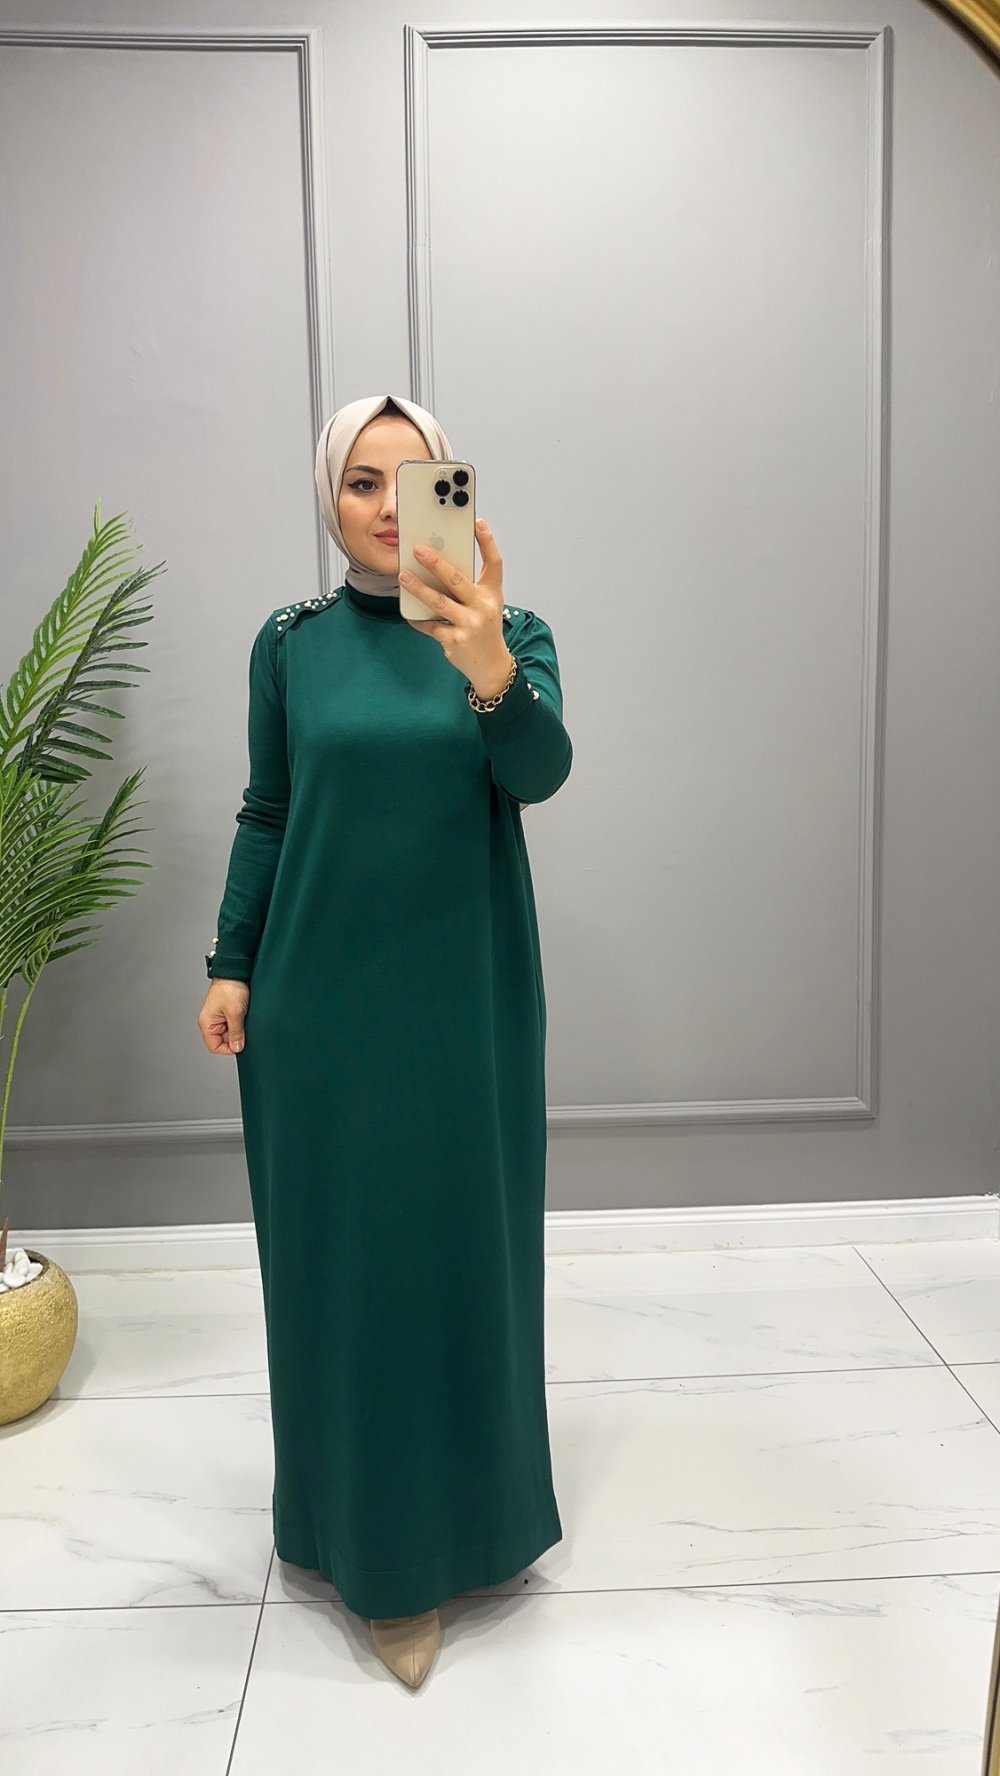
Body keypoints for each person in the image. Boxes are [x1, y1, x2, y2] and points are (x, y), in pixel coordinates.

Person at [197, 393, 573, 1687]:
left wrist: (491, 671)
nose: (387, 508)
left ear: (453, 493)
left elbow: (538, 775)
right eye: (363, 482)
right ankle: (373, 1555)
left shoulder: (509, 631)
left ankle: (476, 1524)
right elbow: (268, 808)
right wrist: (231, 961)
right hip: (317, 1011)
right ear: (330, 495)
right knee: (345, 1277)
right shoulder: (289, 644)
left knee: (463, 1262)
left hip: (464, 1006)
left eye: (416, 483)